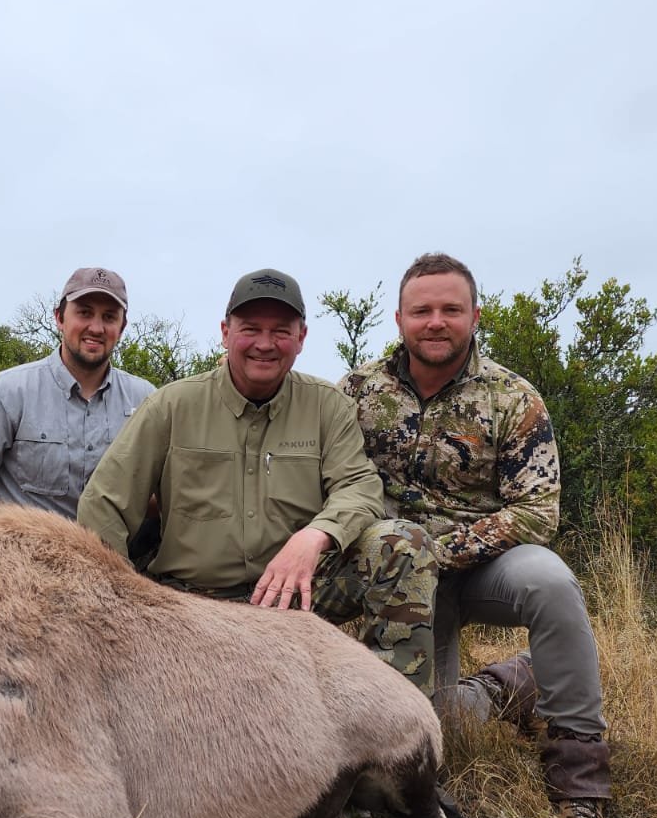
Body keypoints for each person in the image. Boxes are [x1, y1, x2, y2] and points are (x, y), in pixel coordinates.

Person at [340, 252, 612, 818]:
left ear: (474, 316)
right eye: (422, 310)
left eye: (450, 310)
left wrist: (441, 553)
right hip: (397, 579)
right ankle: (502, 687)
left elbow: (538, 510)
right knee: (438, 725)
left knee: (552, 583)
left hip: (484, 564)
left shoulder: (514, 398)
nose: (435, 322)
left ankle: (580, 787)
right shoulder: (358, 391)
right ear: (400, 319)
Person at [78, 269, 438, 684]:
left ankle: (398, 725)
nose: (265, 344)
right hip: (190, 602)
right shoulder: (171, 405)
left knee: (404, 545)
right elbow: (103, 502)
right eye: (250, 329)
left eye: (280, 331)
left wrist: (315, 536)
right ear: (225, 332)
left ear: (301, 338)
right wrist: (125, 604)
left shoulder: (327, 406)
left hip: (295, 592)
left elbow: (359, 487)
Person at [0, 268, 154, 520]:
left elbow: (158, 500)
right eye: (84, 312)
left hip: (117, 557)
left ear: (122, 327)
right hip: (23, 557)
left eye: (109, 317)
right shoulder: (3, 394)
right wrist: (17, 544)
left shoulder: (146, 400)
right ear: (60, 318)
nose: (96, 328)